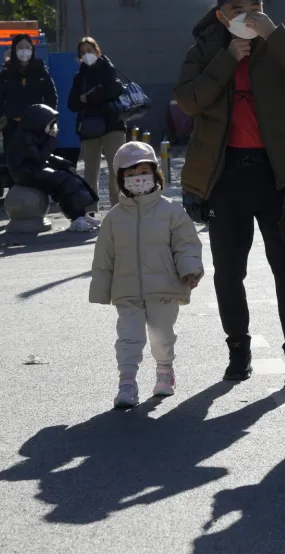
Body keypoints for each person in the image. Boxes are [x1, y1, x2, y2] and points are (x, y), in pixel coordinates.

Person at [174, 0, 285, 385]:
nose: (248, 16)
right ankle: (238, 350)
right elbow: (187, 101)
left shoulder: (277, 43)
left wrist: (275, 36)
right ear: (221, 16)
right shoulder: (206, 49)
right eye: (238, 9)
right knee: (229, 272)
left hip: (278, 177)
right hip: (225, 177)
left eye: (255, 8)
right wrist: (227, 59)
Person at [90, 141, 204, 408]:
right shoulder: (114, 218)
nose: (137, 179)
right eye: (129, 174)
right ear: (121, 180)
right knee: (129, 337)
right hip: (126, 290)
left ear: (155, 174)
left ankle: (164, 372)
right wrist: (102, 289)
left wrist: (189, 269)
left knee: (162, 335)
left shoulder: (172, 211)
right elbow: (104, 257)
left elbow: (186, 244)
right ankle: (126, 383)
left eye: (142, 172)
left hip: (164, 288)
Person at [6, 104, 99, 232]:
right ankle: (76, 219)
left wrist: (65, 164)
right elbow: (39, 159)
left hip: (34, 170)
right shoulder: (23, 138)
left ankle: (81, 215)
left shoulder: (33, 135)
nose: (53, 127)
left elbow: (47, 156)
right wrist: (51, 140)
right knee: (64, 181)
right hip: (26, 174)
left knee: (70, 176)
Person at [67, 37, 126, 211]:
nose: (87, 55)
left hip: (112, 125)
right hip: (89, 128)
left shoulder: (108, 69)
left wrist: (89, 97)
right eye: (83, 52)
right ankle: (90, 209)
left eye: (90, 51)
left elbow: (115, 90)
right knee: (90, 172)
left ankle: (118, 208)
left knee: (116, 169)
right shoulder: (79, 77)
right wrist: (86, 97)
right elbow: (72, 104)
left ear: (97, 51)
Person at [0, 34, 58, 159]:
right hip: (13, 126)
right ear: (14, 50)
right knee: (14, 163)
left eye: (27, 47)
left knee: (36, 163)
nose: (24, 51)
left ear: (32, 50)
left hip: (37, 127)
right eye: (20, 47)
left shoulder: (40, 71)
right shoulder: (5, 74)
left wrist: (50, 120)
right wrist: (0, 119)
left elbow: (51, 95)